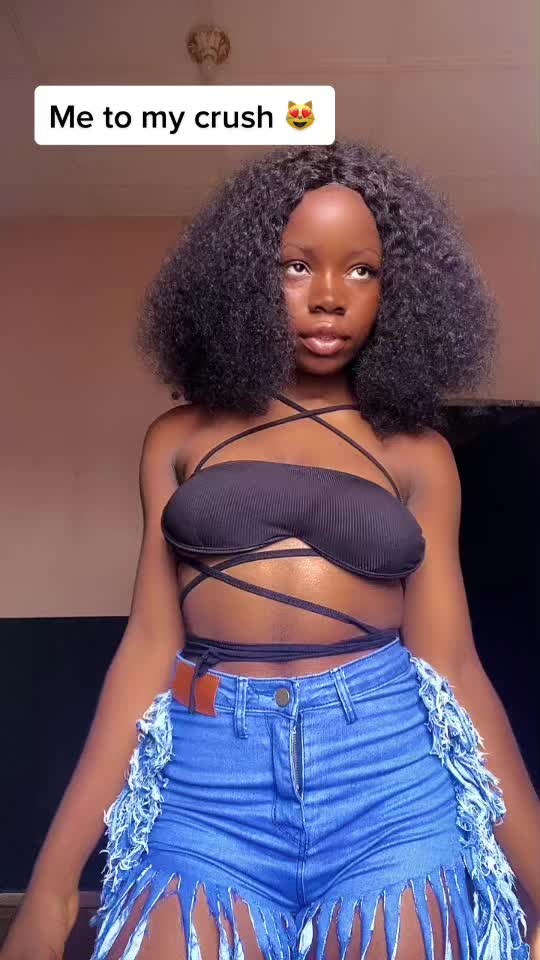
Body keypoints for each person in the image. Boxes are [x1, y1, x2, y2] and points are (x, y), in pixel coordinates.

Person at [3, 139, 538, 960]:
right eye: (297, 266)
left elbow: (453, 670)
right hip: (208, 783)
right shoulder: (178, 439)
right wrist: (49, 889)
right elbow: (148, 649)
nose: (330, 297)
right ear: (245, 279)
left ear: (399, 293)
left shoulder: (419, 454)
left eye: (362, 270)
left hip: (388, 779)